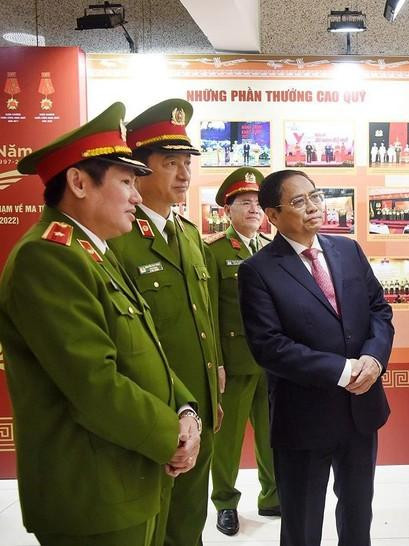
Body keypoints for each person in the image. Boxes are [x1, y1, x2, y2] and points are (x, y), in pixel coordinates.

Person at [0, 102, 201, 545]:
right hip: (93, 492)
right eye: (127, 181)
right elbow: (94, 383)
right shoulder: (47, 258)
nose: (136, 195)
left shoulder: (93, 251)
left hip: (129, 476)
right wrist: (172, 435)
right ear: (78, 182)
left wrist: (185, 409)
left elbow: (146, 350)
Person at [238, 169, 394, 546]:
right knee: (303, 525)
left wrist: (373, 360)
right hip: (303, 417)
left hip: (361, 409)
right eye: (298, 201)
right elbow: (269, 346)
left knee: (358, 516)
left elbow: (379, 311)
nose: (312, 207)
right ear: (272, 216)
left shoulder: (348, 250)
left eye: (316, 196)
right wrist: (343, 370)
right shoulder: (257, 271)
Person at [108, 98, 221, 546]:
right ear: (138, 168)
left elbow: (204, 316)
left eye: (186, 162)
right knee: (155, 524)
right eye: (169, 162)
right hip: (158, 411)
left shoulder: (189, 235)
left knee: (190, 519)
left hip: (203, 408)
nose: (183, 174)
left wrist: (217, 376)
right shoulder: (120, 240)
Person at [204, 168, 279, 537]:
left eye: (256, 203)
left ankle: (272, 496)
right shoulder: (214, 250)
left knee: (271, 435)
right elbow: (209, 313)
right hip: (234, 364)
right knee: (228, 440)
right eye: (244, 203)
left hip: (273, 362)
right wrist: (216, 362)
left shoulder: (270, 248)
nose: (252, 209)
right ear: (227, 210)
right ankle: (225, 503)